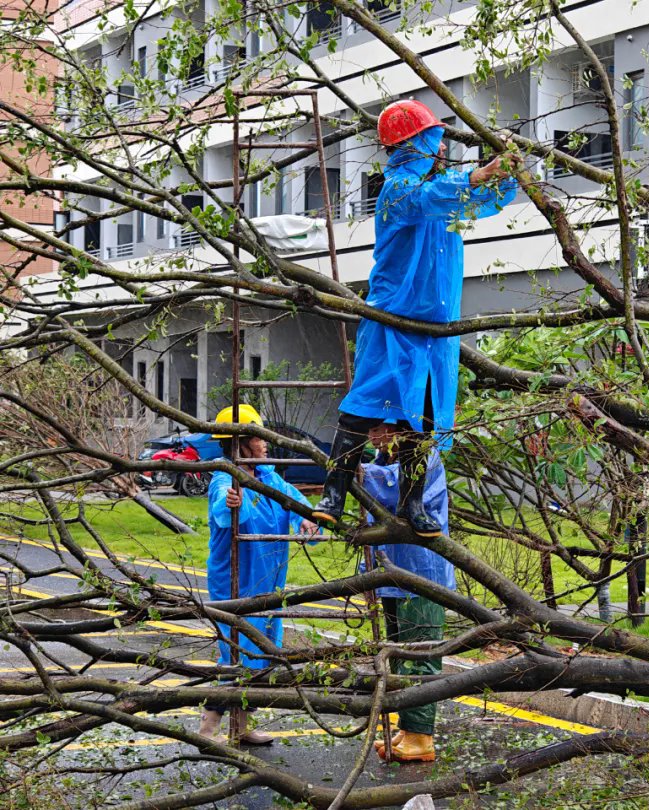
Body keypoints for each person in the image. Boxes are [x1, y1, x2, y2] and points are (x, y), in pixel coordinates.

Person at [312, 99, 521, 536]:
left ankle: (413, 504)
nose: (440, 148)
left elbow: (483, 198)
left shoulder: (446, 189)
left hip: (437, 330)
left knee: (422, 421)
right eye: (432, 140)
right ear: (411, 144)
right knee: (364, 407)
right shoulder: (399, 190)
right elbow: (430, 199)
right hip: (394, 320)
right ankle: (334, 491)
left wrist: (508, 170)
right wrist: (478, 174)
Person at [198, 404, 318, 744]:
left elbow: (295, 503)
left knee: (265, 655)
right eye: (257, 437)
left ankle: (242, 727)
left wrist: (306, 519)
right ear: (239, 443)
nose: (265, 443)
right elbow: (223, 508)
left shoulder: (268, 476)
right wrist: (232, 502)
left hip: (269, 581)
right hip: (236, 584)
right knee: (236, 656)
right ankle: (208, 730)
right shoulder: (225, 478)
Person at [359, 424, 454, 764]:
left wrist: (361, 473)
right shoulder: (386, 456)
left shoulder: (423, 456)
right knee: (400, 654)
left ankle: (422, 736)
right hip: (395, 573)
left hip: (421, 573)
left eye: (375, 428)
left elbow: (393, 494)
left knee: (421, 655)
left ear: (394, 428)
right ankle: (409, 726)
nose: (370, 437)